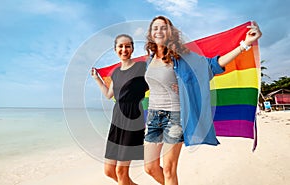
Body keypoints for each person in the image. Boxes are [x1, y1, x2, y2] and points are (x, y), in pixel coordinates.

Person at [143, 15, 262, 185]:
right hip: (154, 118)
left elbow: (212, 66)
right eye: (155, 28)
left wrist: (244, 45)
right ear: (150, 34)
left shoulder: (181, 57)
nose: (159, 31)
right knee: (150, 167)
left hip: (175, 117)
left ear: (170, 32)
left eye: (163, 27)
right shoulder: (149, 61)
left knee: (169, 170)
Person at [91, 34, 148, 185]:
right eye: (120, 46)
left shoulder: (141, 67)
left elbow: (159, 74)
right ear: (115, 49)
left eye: (127, 46)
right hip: (117, 120)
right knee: (109, 171)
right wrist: (97, 79)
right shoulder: (115, 73)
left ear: (133, 49)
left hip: (133, 119)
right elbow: (109, 95)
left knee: (121, 172)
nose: (124, 49)